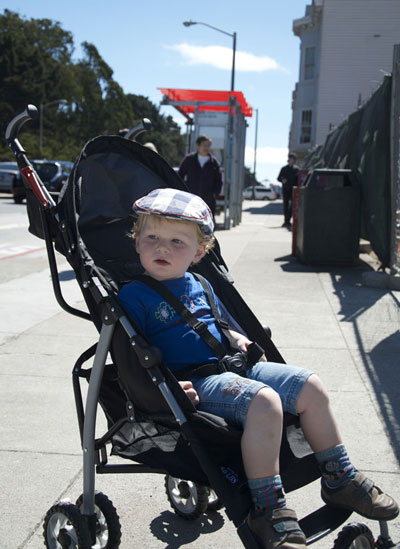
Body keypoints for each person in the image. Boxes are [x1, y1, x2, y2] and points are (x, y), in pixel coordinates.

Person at [118, 188, 398, 549]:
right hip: (194, 383)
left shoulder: (201, 283)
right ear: (137, 241)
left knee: (311, 385)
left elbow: (221, 324)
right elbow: (132, 356)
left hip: (233, 367)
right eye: (152, 237)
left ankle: (338, 477)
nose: (162, 248)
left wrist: (241, 340)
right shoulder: (133, 295)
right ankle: (266, 507)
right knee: (264, 401)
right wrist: (168, 389)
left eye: (177, 241)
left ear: (199, 252)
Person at [178, 135, 223, 217]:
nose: (206, 148)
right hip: (190, 199)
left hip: (208, 201)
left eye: (208, 145)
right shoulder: (189, 159)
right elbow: (179, 176)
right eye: (204, 145)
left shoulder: (214, 162)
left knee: (207, 226)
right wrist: (183, 191)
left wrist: (214, 194)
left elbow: (219, 180)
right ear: (197, 145)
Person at [277, 153, 299, 229]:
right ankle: (286, 221)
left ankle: (288, 220)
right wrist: (282, 180)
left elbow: (299, 179)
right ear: (288, 160)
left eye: (294, 160)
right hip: (286, 190)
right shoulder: (284, 169)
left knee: (292, 206)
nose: (292, 161)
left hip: (293, 190)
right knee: (285, 206)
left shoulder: (296, 170)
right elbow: (278, 178)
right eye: (291, 159)